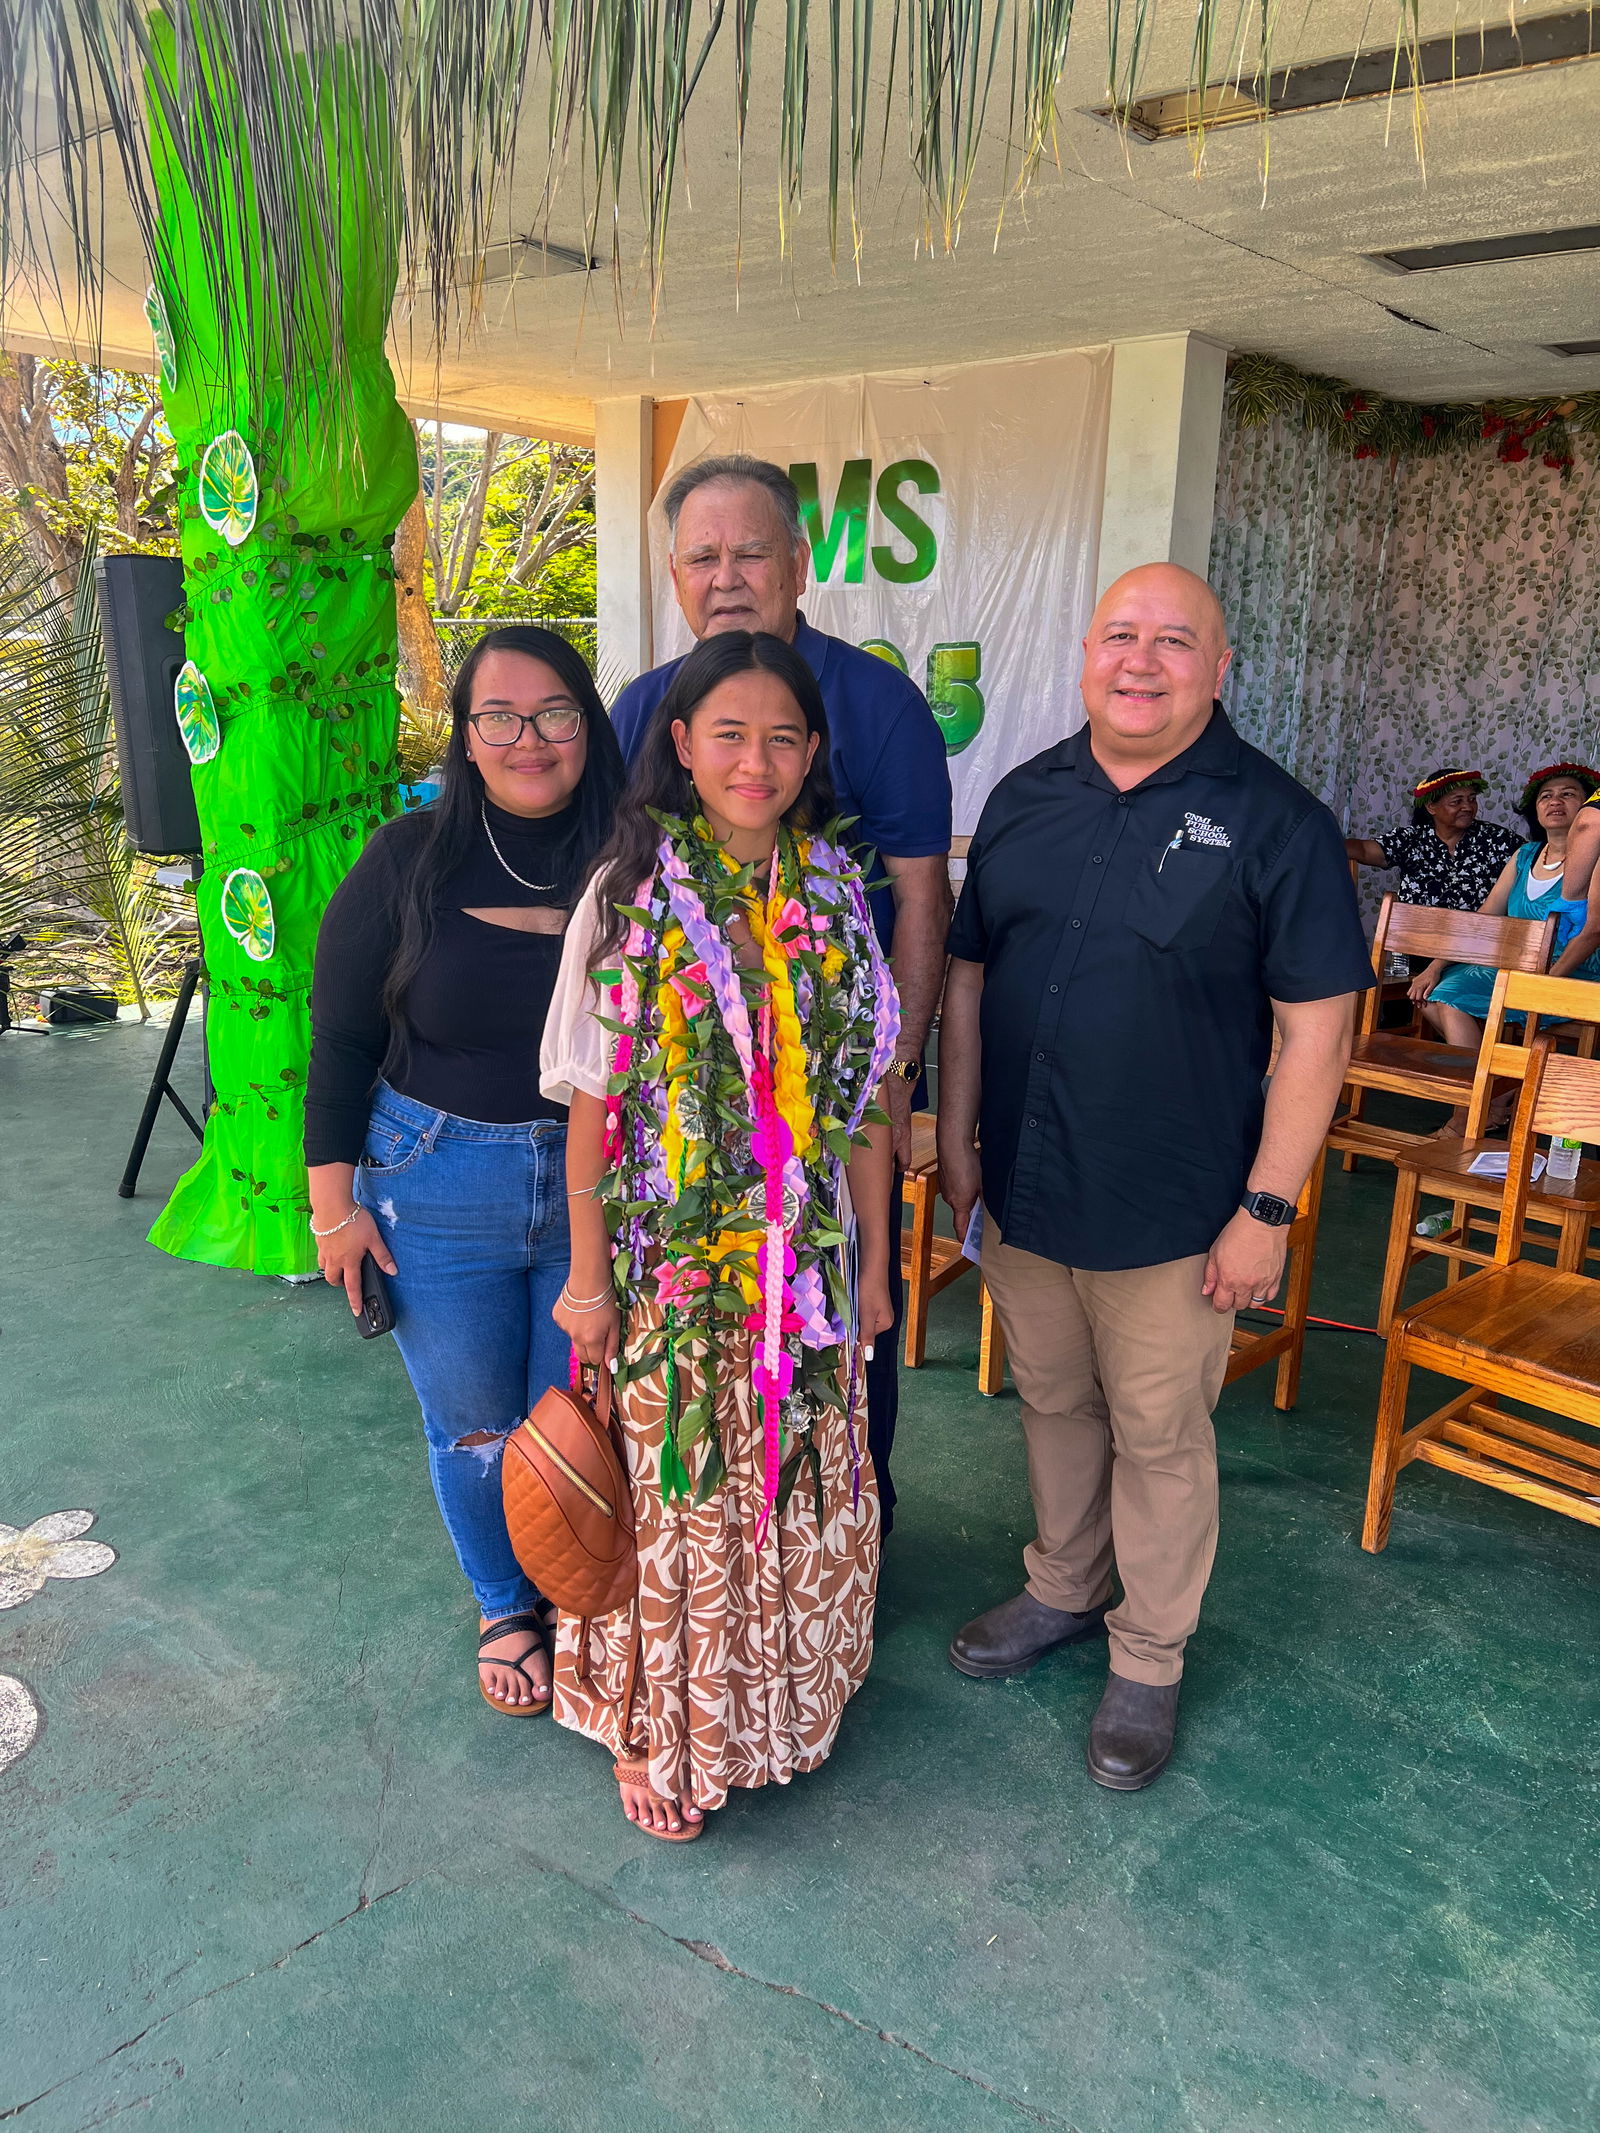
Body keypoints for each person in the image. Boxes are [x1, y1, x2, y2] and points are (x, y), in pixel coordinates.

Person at [938, 563, 1373, 1792]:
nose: (1140, 661)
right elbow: (967, 980)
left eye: (1173, 642)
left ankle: (1148, 1656)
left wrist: (1266, 1210)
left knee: (1160, 1434)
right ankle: (1065, 1586)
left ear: (1219, 668)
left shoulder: (1277, 821)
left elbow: (1317, 1033)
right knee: (1053, 1403)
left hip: (1178, 1212)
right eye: (1119, 635)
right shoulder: (1024, 797)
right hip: (1026, 1187)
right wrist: (957, 1142)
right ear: (1085, 655)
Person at [541, 629, 898, 1840]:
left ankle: (776, 1712)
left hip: (807, 1276)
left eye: (782, 738)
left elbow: (861, 1105)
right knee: (681, 1497)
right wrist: (588, 1282)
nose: (757, 761)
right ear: (682, 746)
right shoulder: (628, 897)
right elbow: (592, 1108)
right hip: (671, 1276)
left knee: (793, 1488)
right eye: (730, 735)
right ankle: (659, 1728)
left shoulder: (835, 895)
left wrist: (875, 1271)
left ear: (813, 752)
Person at [609, 453, 951, 1535]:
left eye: (750, 552)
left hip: (836, 1093)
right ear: (673, 574)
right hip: (684, 1109)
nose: (726, 577)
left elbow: (921, 896)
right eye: (700, 557)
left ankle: (850, 1531)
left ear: (800, 563)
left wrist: (897, 1069)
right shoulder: (644, 707)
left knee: (845, 1315)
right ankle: (718, 1552)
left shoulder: (879, 707)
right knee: (695, 1342)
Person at [306, 626, 625, 1716]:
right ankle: (505, 1605)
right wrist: (333, 1210)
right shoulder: (409, 858)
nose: (529, 739)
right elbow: (341, 1041)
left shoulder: (638, 856)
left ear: (589, 725)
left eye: (555, 713)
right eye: (500, 717)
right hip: (434, 1181)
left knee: (570, 1420)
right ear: (467, 735)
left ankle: (577, 1597)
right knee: (477, 1427)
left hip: (594, 1190)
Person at [1408, 760, 1600, 1055]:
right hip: (1519, 968)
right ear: (1535, 809)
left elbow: (1594, 931)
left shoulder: (1595, 859)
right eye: (1546, 796)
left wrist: (1545, 981)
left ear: (1587, 809)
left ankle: (1486, 1081)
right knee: (1432, 993)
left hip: (1574, 971)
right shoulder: (1525, 855)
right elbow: (1484, 918)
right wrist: (1434, 966)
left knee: (1447, 998)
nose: (1555, 801)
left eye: (1568, 794)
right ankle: (1492, 1079)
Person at [1345, 768, 1521, 913]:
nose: (1468, 807)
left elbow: (1531, 858)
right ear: (1431, 807)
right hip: (1415, 940)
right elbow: (1363, 850)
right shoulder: (1411, 840)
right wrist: (1329, 844)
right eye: (1456, 802)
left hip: (1478, 941)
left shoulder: (1498, 839)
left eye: (1472, 799)